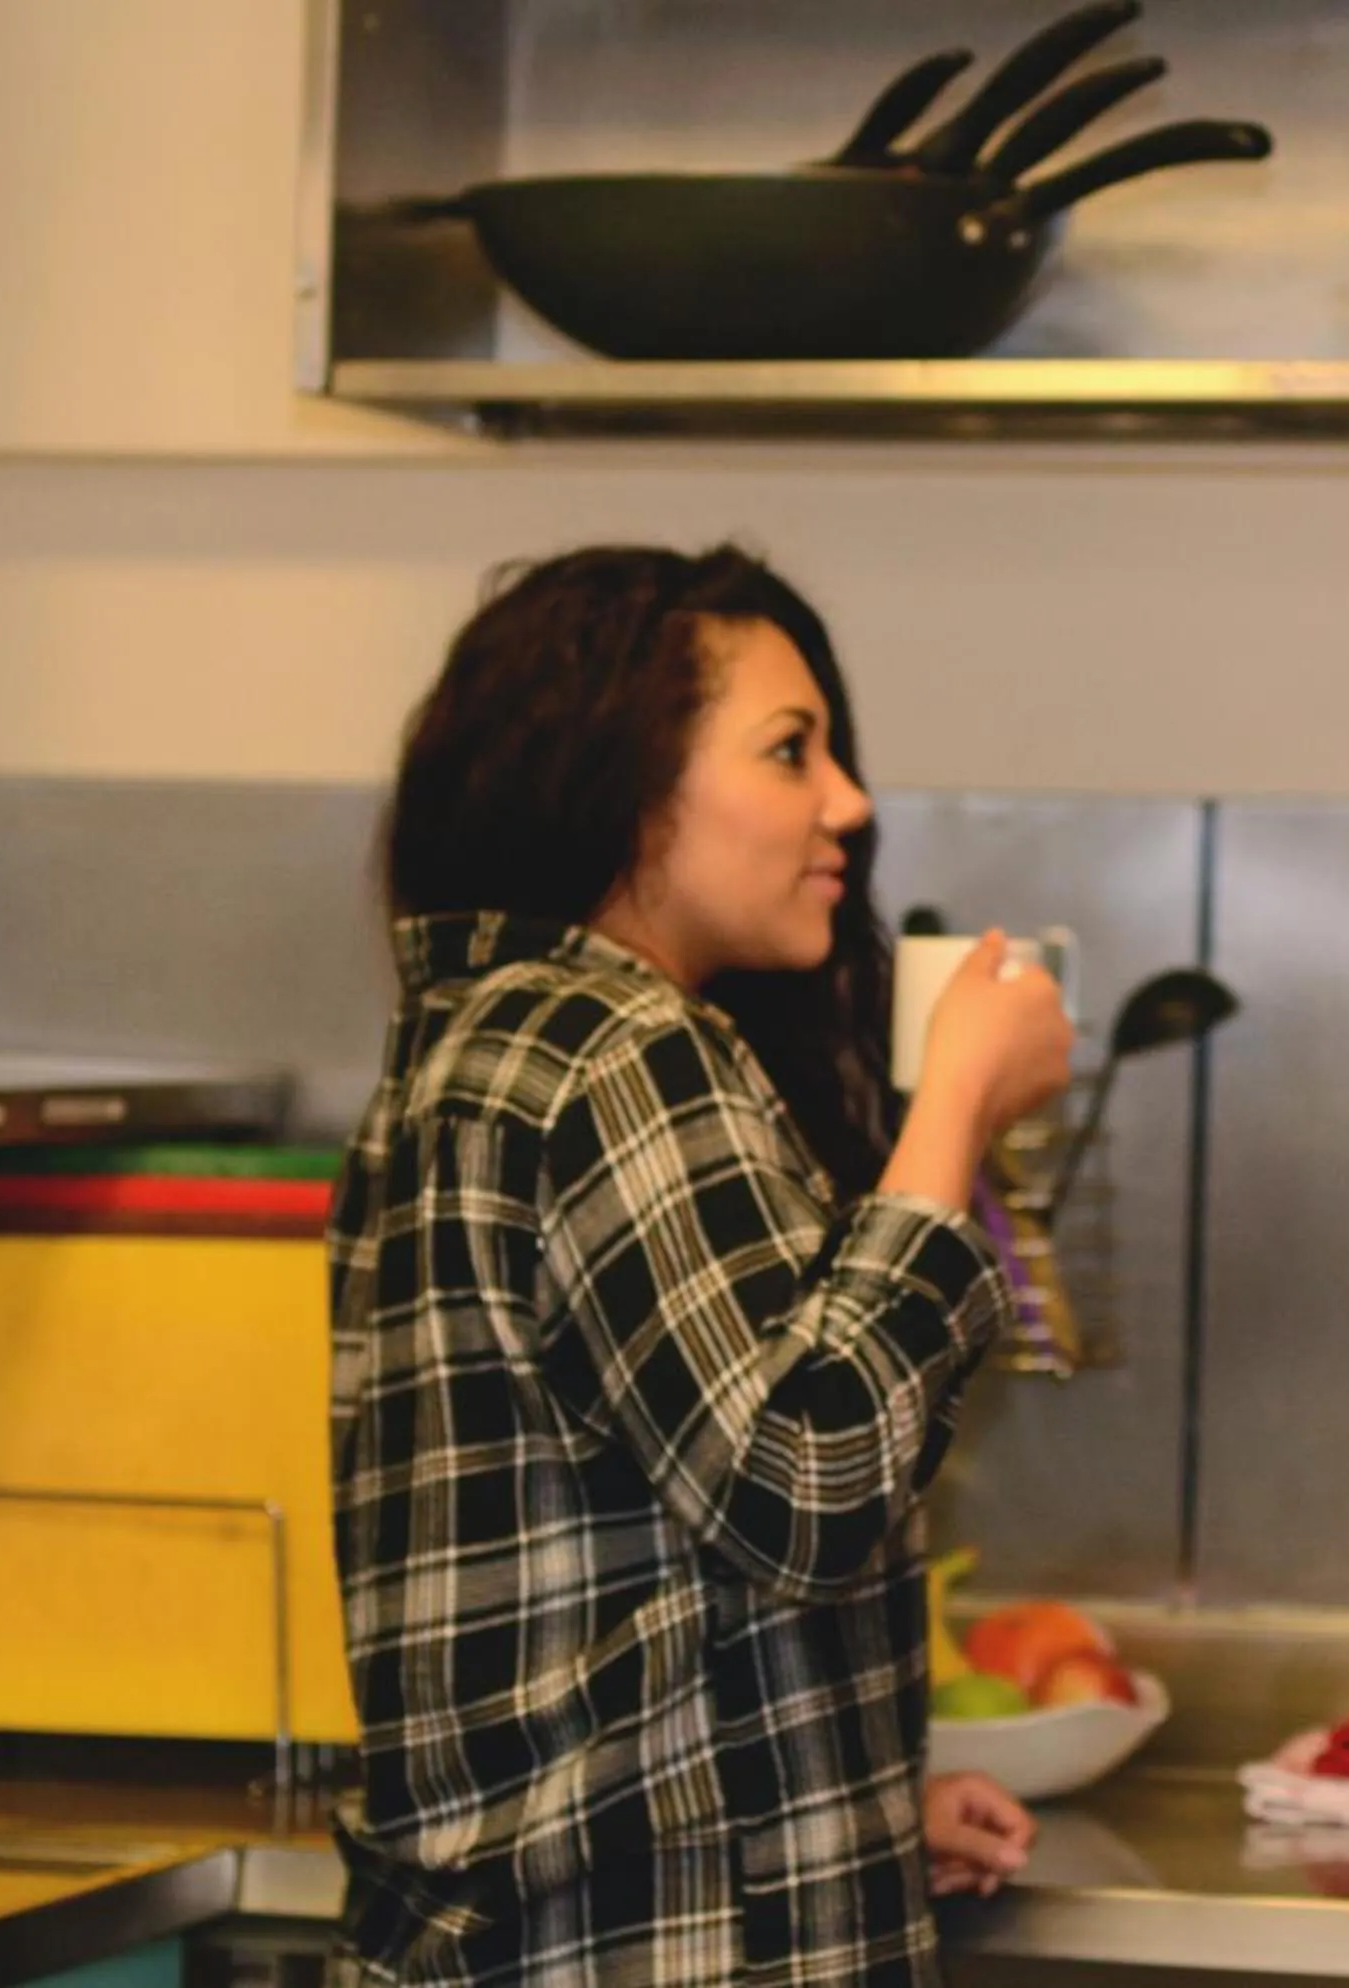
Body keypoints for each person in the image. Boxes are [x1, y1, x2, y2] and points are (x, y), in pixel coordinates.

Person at [327, 544, 1075, 1986]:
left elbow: (636, 1554)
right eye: (790, 753)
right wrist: (954, 1113)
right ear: (623, 788)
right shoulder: (616, 1047)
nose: (847, 803)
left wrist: (840, 1822)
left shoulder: (470, 1049)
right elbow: (806, 1484)